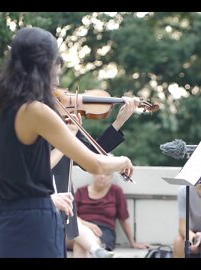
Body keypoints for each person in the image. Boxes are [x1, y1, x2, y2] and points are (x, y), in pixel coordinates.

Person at [0, 27, 134, 258]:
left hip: (3, 218)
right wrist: (123, 161)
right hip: (35, 224)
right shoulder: (36, 111)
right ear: (44, 67)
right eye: (54, 74)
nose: (56, 81)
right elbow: (96, 164)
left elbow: (26, 168)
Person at [51, 97, 140, 258]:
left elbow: (91, 156)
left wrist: (119, 121)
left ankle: (94, 248)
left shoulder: (65, 126)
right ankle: (94, 248)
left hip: (59, 202)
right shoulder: (36, 116)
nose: (71, 100)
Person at [71, 172, 150, 257]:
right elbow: (71, 215)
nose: (102, 176)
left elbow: (123, 218)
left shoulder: (116, 191)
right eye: (98, 173)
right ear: (93, 173)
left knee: (81, 244)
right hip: (81, 227)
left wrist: (132, 242)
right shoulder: (81, 192)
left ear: (112, 176)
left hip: (103, 232)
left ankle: (95, 249)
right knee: (82, 236)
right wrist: (88, 225)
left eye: (107, 174)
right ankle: (96, 249)